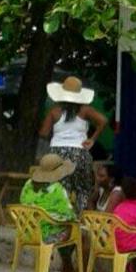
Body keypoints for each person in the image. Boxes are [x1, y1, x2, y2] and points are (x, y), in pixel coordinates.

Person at [38, 76, 107, 213]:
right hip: (79, 153)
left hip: (57, 154)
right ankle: (80, 222)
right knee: (83, 191)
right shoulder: (84, 110)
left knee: (59, 190)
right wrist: (92, 139)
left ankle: (60, 221)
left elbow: (44, 133)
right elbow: (103, 121)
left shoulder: (54, 111)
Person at [20, 154, 85, 272]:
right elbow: (68, 215)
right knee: (78, 233)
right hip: (48, 234)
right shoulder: (57, 189)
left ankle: (67, 268)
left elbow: (22, 202)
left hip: (28, 232)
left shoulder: (27, 185)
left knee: (64, 228)